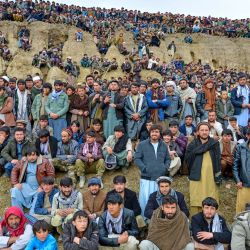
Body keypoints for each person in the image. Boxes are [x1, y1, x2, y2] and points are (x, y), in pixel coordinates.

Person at [185, 122, 221, 216]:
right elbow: (187, 159)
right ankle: (196, 222)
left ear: (209, 131)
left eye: (206, 130)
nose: (204, 132)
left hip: (211, 176)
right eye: (202, 130)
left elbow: (218, 160)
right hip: (196, 175)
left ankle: (211, 221)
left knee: (211, 198)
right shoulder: (193, 144)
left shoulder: (214, 144)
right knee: (196, 198)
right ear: (197, 132)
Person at [134, 124, 171, 214]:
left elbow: (167, 159)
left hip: (160, 178)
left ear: (160, 134)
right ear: (150, 133)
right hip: (147, 177)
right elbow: (137, 158)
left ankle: (159, 219)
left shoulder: (164, 145)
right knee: (145, 199)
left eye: (157, 132)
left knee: (159, 200)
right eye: (153, 131)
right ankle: (145, 220)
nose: (154, 133)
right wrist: (144, 168)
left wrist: (165, 168)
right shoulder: (142, 145)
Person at [10, 147, 55, 212]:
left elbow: (51, 174)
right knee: (15, 190)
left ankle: (31, 216)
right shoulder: (23, 161)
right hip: (26, 186)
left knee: (35, 206)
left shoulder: (45, 161)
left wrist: (42, 186)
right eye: (29, 155)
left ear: (37, 155)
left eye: (33, 155)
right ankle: (17, 213)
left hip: (39, 187)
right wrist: (15, 183)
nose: (31, 157)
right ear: (26, 156)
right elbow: (14, 170)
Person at [233, 128, 250, 214]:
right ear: (247, 135)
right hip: (243, 184)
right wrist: (238, 180)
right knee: (241, 210)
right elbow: (235, 165)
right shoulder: (241, 147)